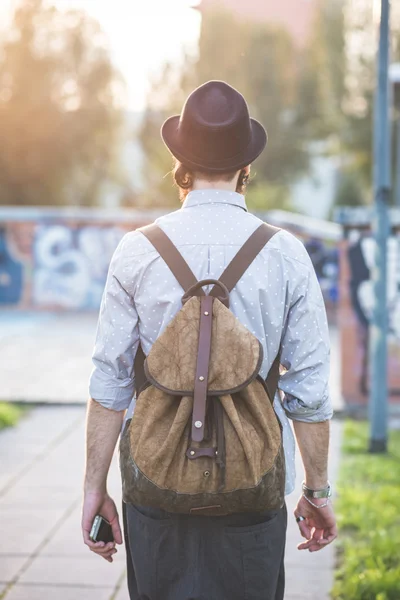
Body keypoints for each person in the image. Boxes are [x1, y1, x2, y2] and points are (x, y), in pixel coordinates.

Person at [82, 80, 337, 600]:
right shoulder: (286, 254)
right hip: (253, 485)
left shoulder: (136, 252)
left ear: (181, 165)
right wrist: (316, 491)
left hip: (155, 483)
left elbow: (109, 383)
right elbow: (308, 391)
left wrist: (94, 488)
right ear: (246, 169)